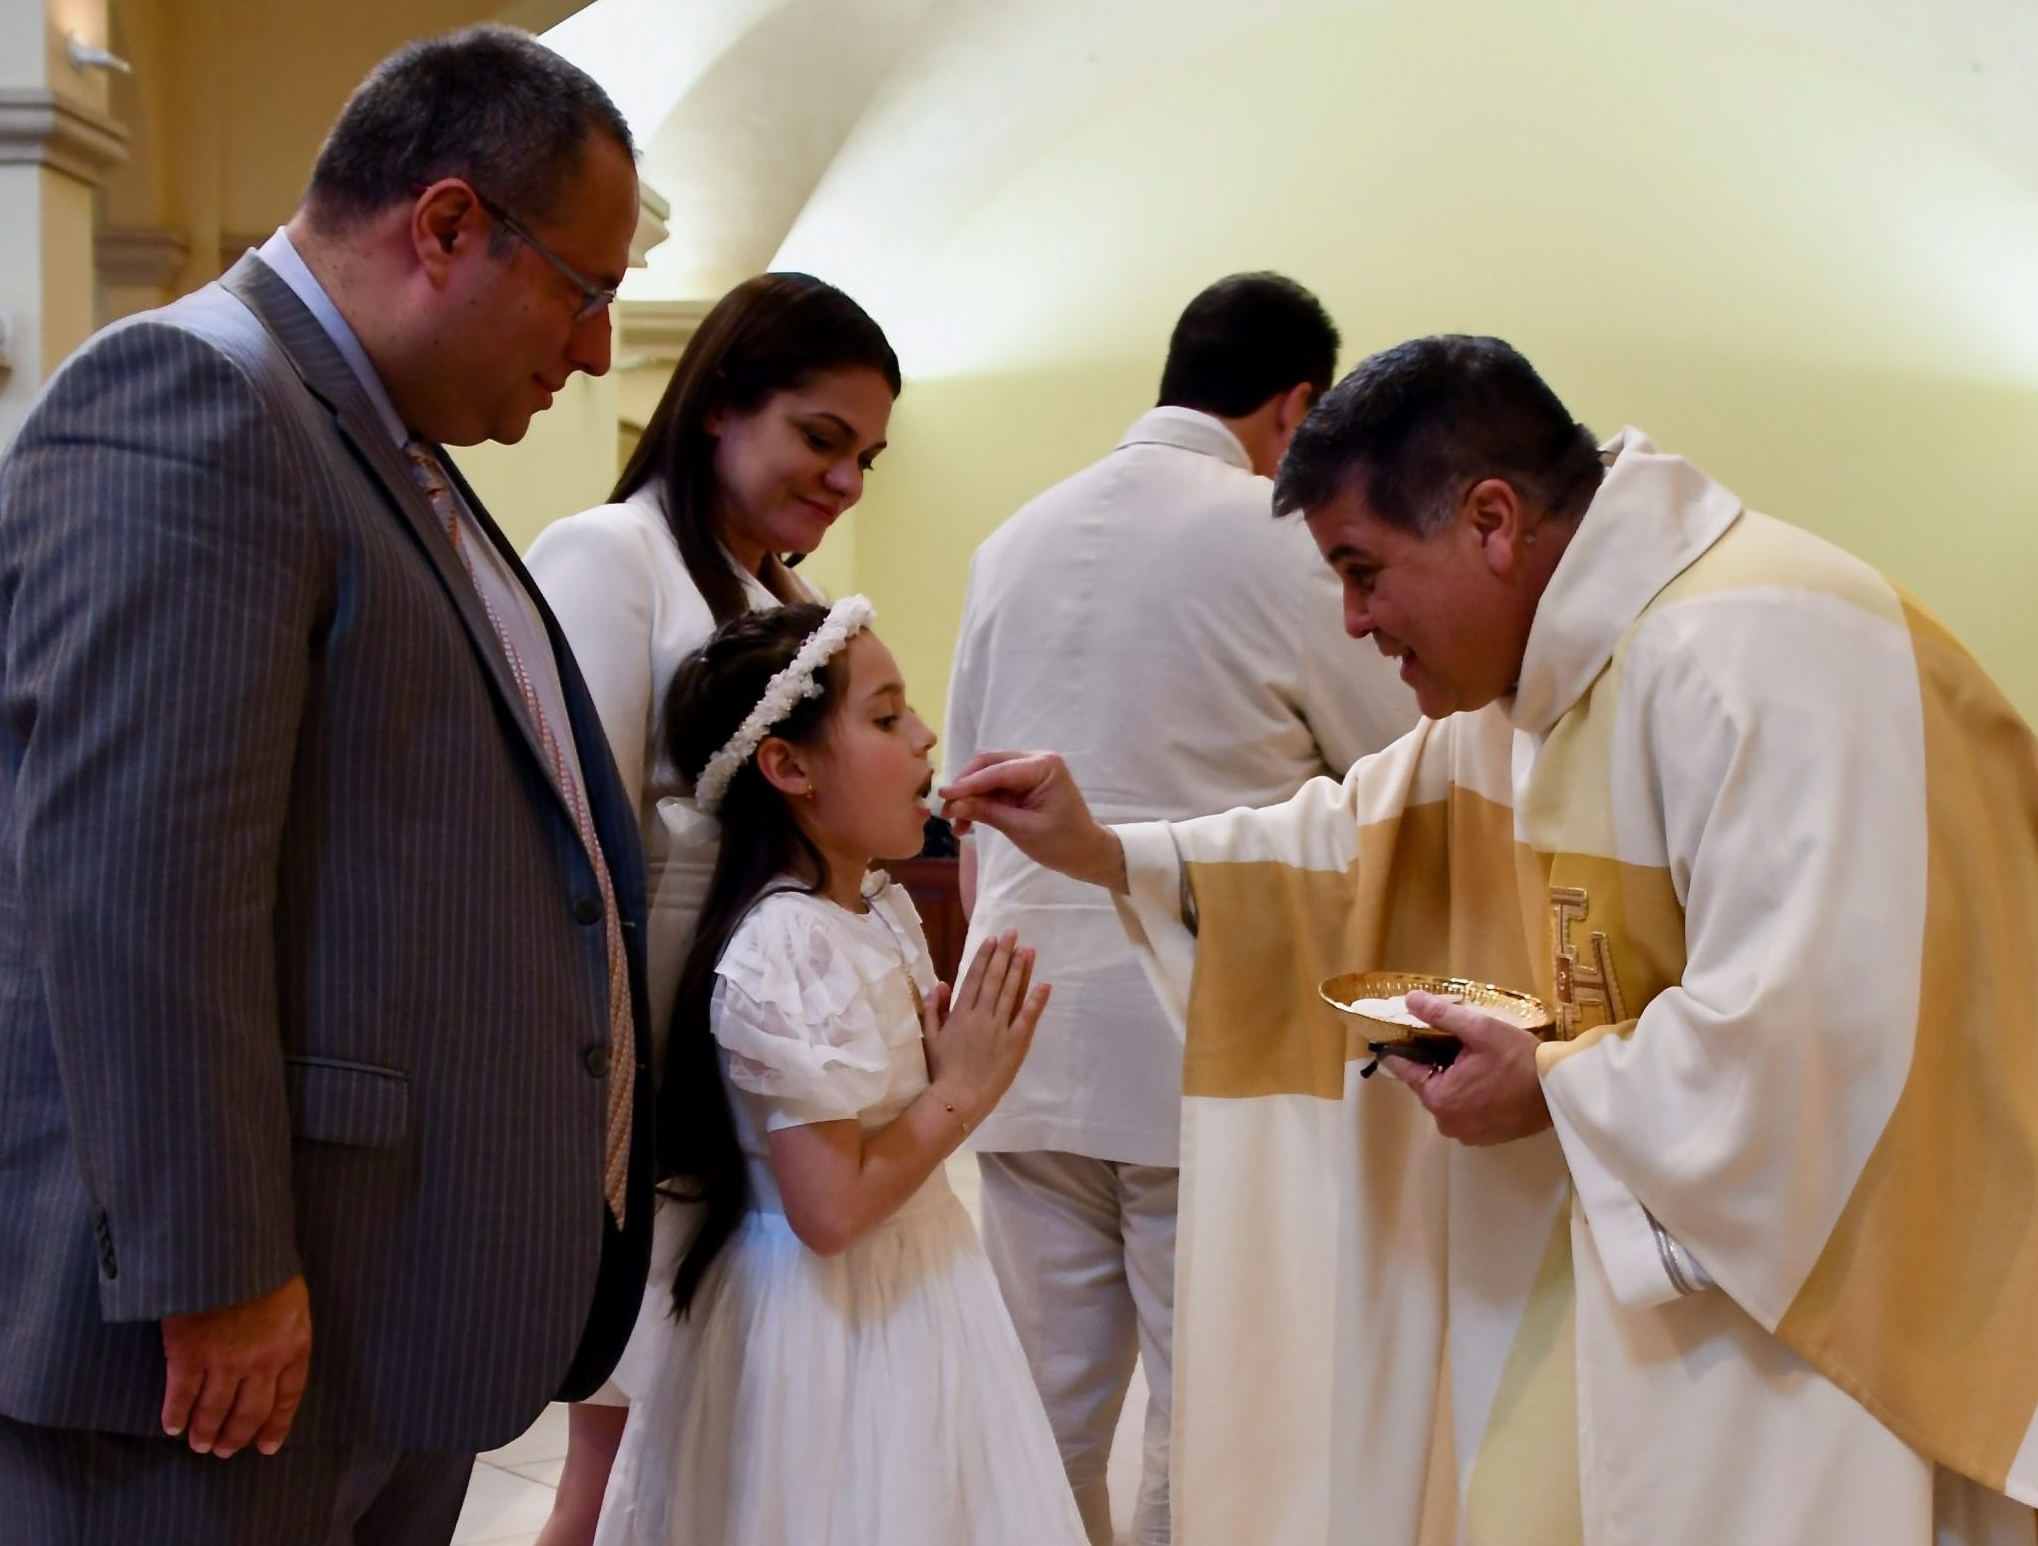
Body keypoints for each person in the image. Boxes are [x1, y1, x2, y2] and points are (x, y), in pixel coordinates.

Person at [945, 336, 2038, 1543]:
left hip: (1839, 1302)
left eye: (1363, 568)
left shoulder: (1762, 655)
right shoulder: (1545, 679)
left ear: (1490, 521)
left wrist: (1548, 1082)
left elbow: (1831, 1038)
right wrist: (1110, 851)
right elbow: (1350, 843)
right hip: (1685, 1269)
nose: (1352, 621)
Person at [0, 28, 656, 1543]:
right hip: (199, 1341)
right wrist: (219, 1270)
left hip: (370, 1302)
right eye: (585, 291)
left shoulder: (380, 444)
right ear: (448, 224)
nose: (598, 349)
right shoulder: (192, 404)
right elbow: (141, 889)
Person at [942, 272, 1416, 1544]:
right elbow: (1399, 770)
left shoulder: (1011, 538)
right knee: (1206, 1417)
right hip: (1202, 1031)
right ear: (1296, 404)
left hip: (1019, 1019)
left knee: (1040, 1409)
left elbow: (967, 799)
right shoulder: (1284, 539)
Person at [523, 272, 897, 1546]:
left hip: (756, 1081)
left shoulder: (785, 605)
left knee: (715, 1445)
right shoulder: (609, 555)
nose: (845, 482)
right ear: (723, 401)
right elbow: (569, 855)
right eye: (822, 438)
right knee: (619, 1455)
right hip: (650, 1085)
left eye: (866, 457)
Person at [595, 600, 1086, 1545]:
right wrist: (962, 1090)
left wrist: (940, 1072)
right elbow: (829, 1212)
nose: (925, 735)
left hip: (915, 1278)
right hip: (826, 1318)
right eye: (887, 715)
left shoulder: (874, 910)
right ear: (787, 767)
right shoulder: (784, 942)